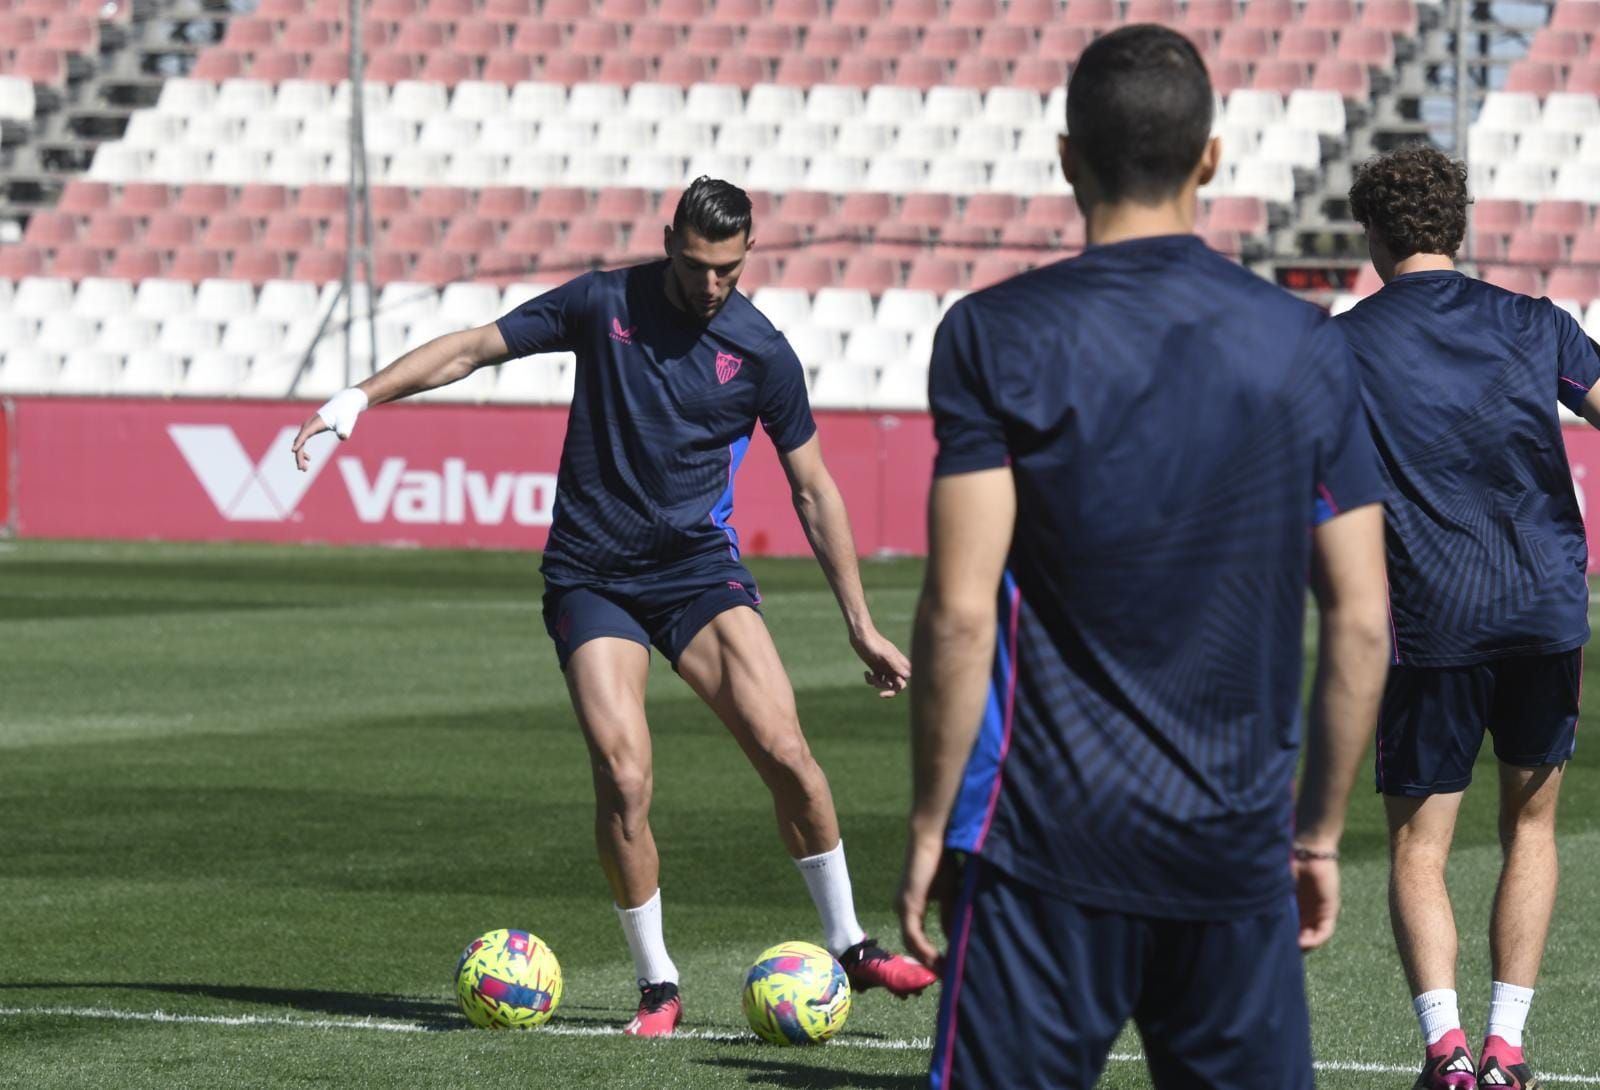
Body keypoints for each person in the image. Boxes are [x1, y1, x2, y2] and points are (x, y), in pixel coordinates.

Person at [290, 176, 937, 1037]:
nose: (713, 286)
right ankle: (658, 985)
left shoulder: (763, 352)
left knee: (788, 753)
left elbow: (813, 490)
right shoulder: (603, 302)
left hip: (699, 573)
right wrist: (358, 399)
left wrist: (860, 624)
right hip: (593, 578)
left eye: (730, 271)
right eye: (700, 265)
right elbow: (476, 347)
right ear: (671, 239)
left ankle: (850, 944)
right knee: (625, 775)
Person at [894, 25, 1393, 1089]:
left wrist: (933, 820)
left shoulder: (992, 334)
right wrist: (1314, 836)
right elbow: (1360, 619)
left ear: (1066, 154)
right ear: (1209, 158)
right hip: (1229, 849)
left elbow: (958, 613)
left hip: (1041, 847)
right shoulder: (1303, 344)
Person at [1335, 144, 1600, 1090]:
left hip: (1431, 617)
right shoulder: (1536, 322)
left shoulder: (1344, 342)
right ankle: (1508, 1050)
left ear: (1372, 235)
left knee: (1420, 842)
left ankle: (1446, 1054)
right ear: (1460, 227)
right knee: (1532, 826)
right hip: (1544, 610)